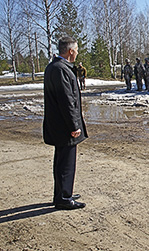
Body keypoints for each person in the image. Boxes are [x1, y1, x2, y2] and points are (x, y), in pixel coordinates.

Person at [43, 36, 88, 210]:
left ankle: (62, 193)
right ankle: (63, 198)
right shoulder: (61, 69)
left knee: (61, 161)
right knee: (66, 163)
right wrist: (73, 125)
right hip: (64, 126)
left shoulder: (55, 67)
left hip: (59, 125)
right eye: (76, 49)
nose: (77, 52)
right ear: (70, 51)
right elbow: (66, 100)